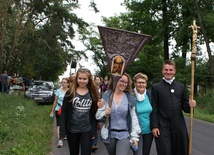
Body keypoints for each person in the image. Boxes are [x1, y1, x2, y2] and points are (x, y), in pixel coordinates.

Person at [150, 60, 197, 155]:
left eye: (170, 70)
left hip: (178, 125)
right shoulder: (156, 87)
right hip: (162, 126)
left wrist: (190, 105)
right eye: (166, 70)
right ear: (162, 71)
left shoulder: (181, 87)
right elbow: (154, 108)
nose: (168, 72)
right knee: (165, 151)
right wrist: (154, 126)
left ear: (174, 71)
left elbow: (185, 106)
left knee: (180, 150)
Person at [96, 73, 141, 155]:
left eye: (126, 82)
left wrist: (135, 136)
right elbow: (98, 116)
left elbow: (134, 118)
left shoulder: (130, 98)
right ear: (115, 81)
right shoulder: (106, 96)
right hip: (109, 135)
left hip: (125, 134)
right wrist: (105, 113)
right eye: (121, 81)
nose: (124, 84)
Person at [60, 68, 99, 155]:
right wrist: (62, 131)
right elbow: (64, 112)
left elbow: (95, 114)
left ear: (89, 80)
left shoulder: (93, 93)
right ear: (76, 79)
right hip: (72, 130)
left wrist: (93, 131)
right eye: (80, 78)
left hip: (87, 130)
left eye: (85, 79)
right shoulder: (70, 92)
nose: (82, 81)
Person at [133, 73, 153, 155]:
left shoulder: (150, 95)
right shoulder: (131, 96)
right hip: (136, 132)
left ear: (146, 84)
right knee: (137, 153)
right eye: (139, 82)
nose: (141, 84)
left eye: (143, 82)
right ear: (135, 83)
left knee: (146, 152)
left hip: (148, 131)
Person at [50, 77, 70, 148]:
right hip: (59, 110)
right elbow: (55, 101)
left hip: (68, 111)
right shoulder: (58, 91)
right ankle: (60, 140)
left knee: (67, 124)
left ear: (68, 84)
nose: (63, 83)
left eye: (64, 82)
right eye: (62, 82)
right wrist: (52, 111)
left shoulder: (71, 91)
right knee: (59, 124)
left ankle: (64, 135)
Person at [91, 75, 103, 151]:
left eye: (99, 80)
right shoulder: (91, 90)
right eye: (96, 80)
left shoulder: (102, 91)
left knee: (94, 127)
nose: (97, 81)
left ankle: (94, 144)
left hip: (98, 110)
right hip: (91, 110)